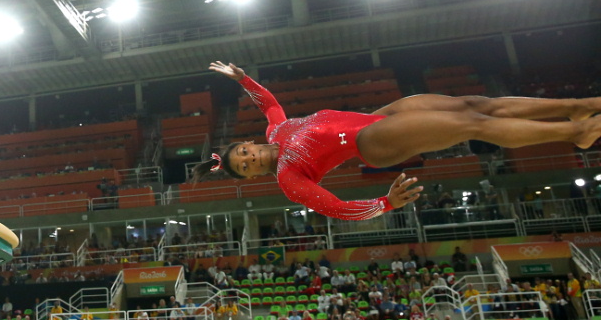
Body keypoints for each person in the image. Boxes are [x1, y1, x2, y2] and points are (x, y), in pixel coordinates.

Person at [209, 60, 601, 220]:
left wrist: (242, 78)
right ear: (251, 176)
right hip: (372, 142)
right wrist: (384, 204)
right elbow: (338, 209)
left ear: (246, 144)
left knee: (476, 102)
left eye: (242, 153)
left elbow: (268, 103)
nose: (248, 159)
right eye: (244, 167)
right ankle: (575, 132)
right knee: (472, 121)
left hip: (380, 117)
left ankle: (578, 106)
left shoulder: (276, 130)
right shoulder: (288, 179)